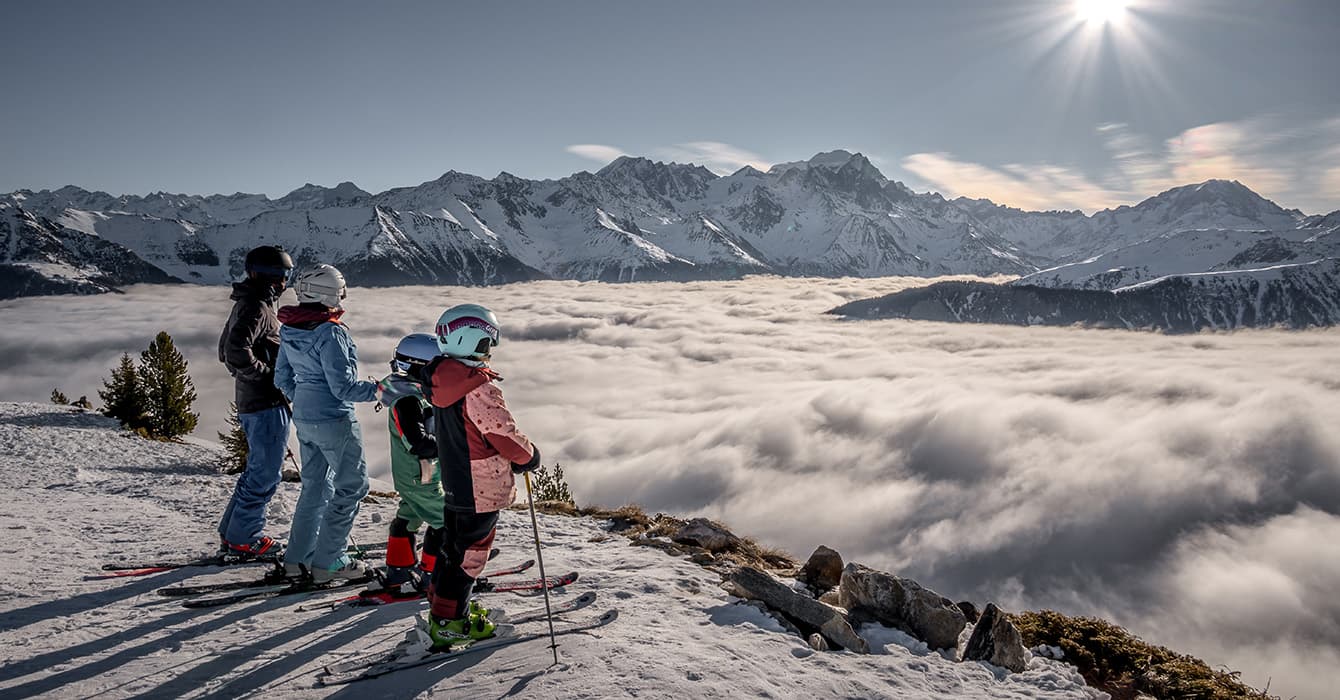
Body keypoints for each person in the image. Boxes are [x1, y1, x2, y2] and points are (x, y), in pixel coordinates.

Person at [412, 303, 541, 647]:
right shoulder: (476, 388)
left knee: (453, 549)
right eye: (488, 342)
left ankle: (442, 609)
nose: (491, 351)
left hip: (456, 481)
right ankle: (451, 622)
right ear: (470, 341)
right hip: (481, 485)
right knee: (470, 555)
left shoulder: (442, 381)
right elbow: (502, 434)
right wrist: (528, 456)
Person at [274, 264, 379, 584]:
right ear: (330, 294)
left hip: (304, 419)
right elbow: (343, 388)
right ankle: (329, 561)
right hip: (335, 419)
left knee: (316, 487)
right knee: (352, 486)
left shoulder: (290, 329)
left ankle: (297, 558)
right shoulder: (332, 332)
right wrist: (381, 389)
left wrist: (305, 399)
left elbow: (282, 378)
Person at [216, 245, 294, 557]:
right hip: (264, 403)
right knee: (266, 472)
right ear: (274, 278)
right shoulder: (257, 308)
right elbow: (235, 351)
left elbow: (226, 350)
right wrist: (267, 375)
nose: (286, 281)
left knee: (258, 469)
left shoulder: (249, 304)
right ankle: (244, 538)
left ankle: (233, 532)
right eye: (284, 275)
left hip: (255, 401)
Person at [381, 333, 446, 592]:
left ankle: (399, 569)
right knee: (446, 520)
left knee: (409, 516)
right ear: (421, 368)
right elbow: (418, 442)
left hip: (412, 476)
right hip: (422, 475)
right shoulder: (407, 400)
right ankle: (435, 575)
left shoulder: (408, 391)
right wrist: (450, 444)